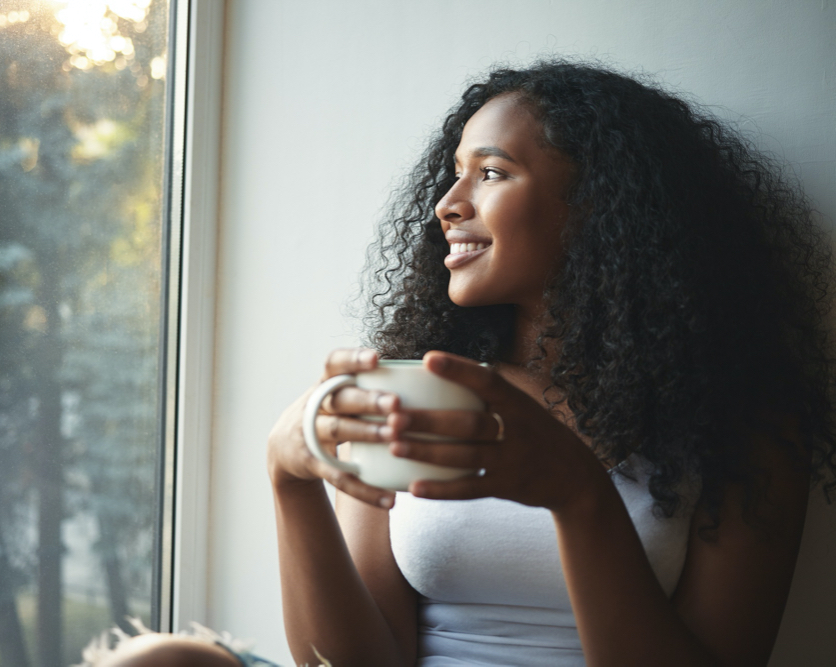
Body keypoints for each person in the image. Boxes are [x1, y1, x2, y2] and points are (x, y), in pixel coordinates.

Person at [104, 60, 836, 666]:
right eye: (454, 175)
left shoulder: (744, 429)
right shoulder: (418, 390)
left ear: (598, 205)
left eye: (490, 172)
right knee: (158, 661)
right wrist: (287, 476)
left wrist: (579, 495)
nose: (447, 204)